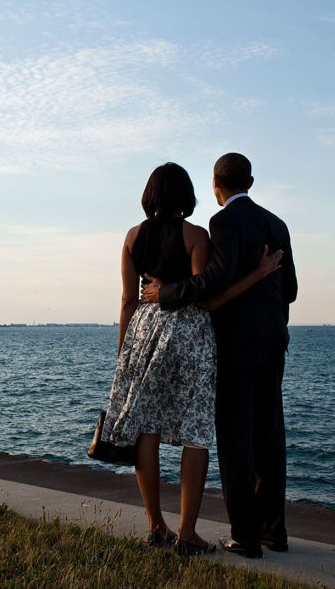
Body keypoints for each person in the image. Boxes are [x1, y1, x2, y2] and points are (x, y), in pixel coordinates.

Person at [100, 162, 282, 556]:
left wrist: (122, 353)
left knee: (145, 427)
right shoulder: (196, 235)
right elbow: (209, 298)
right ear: (187, 194)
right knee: (195, 431)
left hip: (143, 333)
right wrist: (258, 274)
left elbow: (128, 301)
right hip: (189, 335)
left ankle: (156, 526)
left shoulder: (131, 238)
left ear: (149, 194)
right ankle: (188, 532)